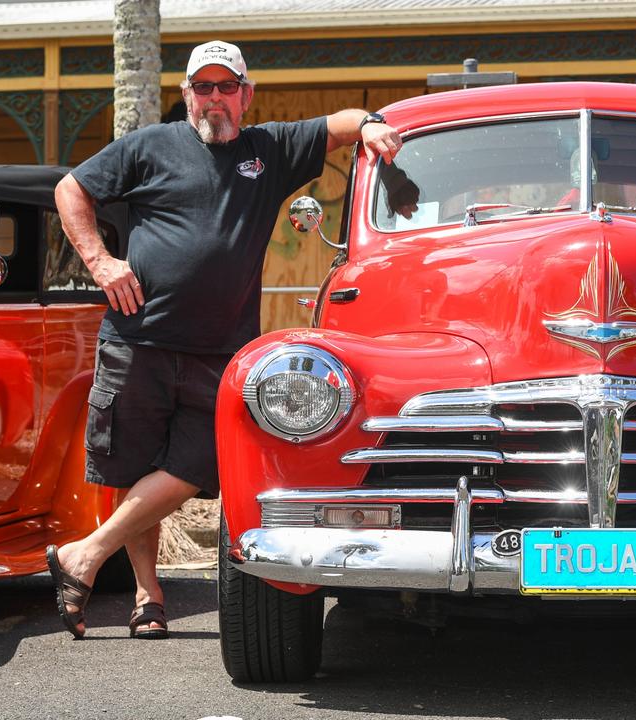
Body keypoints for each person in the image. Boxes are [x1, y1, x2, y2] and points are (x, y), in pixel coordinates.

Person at [45, 40, 402, 640]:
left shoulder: (271, 150)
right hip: (138, 337)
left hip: (222, 352)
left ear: (246, 94)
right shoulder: (148, 146)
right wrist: (101, 261)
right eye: (202, 87)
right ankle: (147, 595)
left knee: (198, 461)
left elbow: (336, 126)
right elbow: (70, 190)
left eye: (225, 87)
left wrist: (369, 124)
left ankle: (84, 553)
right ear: (186, 93)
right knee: (135, 466)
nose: (214, 99)